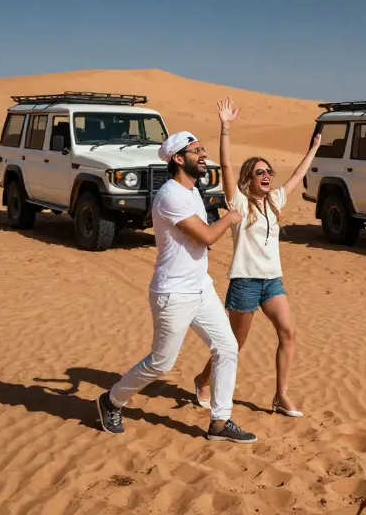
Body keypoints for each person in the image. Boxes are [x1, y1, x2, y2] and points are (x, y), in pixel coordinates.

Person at [97, 131, 257, 444]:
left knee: (226, 347)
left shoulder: (192, 190)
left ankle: (220, 422)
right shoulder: (170, 194)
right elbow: (207, 236)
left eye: (203, 149)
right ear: (178, 159)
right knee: (161, 362)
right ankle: (112, 401)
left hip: (200, 287)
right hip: (173, 293)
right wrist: (230, 217)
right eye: (197, 151)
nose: (203, 155)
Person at [193, 96, 320, 418]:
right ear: (250, 177)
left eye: (270, 171)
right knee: (234, 344)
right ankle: (203, 379)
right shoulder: (238, 202)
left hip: (272, 281)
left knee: (288, 332)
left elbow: (297, 174)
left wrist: (314, 148)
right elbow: (225, 166)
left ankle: (280, 395)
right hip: (245, 282)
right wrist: (225, 128)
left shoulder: (276, 199)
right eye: (260, 171)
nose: (267, 175)